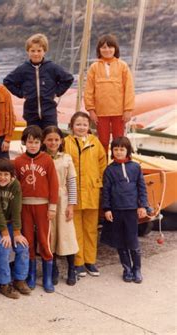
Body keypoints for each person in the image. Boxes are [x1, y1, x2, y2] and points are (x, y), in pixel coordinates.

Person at [14, 125, 59, 293]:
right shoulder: (18, 161)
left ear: (41, 143)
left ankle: (47, 278)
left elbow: (54, 184)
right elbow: (15, 185)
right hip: (25, 205)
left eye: (36, 142)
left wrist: (52, 206)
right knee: (28, 241)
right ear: (25, 142)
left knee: (44, 240)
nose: (33, 145)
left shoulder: (47, 160)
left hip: (42, 205)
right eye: (30, 142)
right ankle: (30, 274)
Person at [64, 112, 107, 278]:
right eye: (78, 124)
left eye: (84, 124)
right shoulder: (66, 143)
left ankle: (90, 260)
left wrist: (101, 184)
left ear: (89, 126)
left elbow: (102, 164)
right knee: (76, 229)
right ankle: (78, 261)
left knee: (91, 229)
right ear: (72, 126)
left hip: (91, 191)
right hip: (73, 193)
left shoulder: (95, 143)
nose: (81, 127)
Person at [101, 137, 148, 284]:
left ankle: (137, 269)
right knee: (120, 241)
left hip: (131, 210)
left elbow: (142, 188)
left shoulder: (135, 167)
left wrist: (143, 206)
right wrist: (107, 209)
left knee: (132, 240)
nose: (119, 152)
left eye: (122, 149)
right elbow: (106, 192)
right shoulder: (109, 170)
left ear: (128, 150)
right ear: (112, 151)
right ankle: (127, 269)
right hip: (116, 210)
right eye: (116, 149)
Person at [4, 33, 74, 129]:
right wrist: (21, 93)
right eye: (32, 51)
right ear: (28, 51)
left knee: (50, 136)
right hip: (31, 113)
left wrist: (57, 92)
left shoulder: (52, 67)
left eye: (39, 51)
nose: (36, 54)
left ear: (44, 51)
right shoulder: (23, 69)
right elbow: (7, 81)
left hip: (49, 112)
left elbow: (68, 79)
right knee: (33, 138)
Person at [0, 158, 30, 299]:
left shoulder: (15, 185)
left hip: (11, 223)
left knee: (22, 246)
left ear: (12, 175)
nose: (2, 177)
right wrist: (5, 234)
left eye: (6, 174)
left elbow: (17, 209)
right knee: (4, 247)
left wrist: (16, 233)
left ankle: (19, 279)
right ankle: (4, 283)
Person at [42, 126, 79, 286]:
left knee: (66, 234)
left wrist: (71, 205)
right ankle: (54, 268)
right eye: (49, 139)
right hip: (47, 201)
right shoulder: (42, 158)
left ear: (61, 141)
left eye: (56, 139)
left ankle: (72, 268)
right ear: (44, 141)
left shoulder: (66, 158)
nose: (53, 142)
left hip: (63, 199)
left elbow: (71, 182)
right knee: (52, 235)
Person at [84, 34, 135, 152]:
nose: (107, 50)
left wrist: (128, 110)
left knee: (119, 141)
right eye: (103, 47)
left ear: (115, 49)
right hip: (100, 113)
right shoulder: (94, 67)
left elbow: (129, 89)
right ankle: (103, 167)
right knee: (103, 141)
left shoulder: (123, 66)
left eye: (110, 47)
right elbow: (88, 91)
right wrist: (91, 110)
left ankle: (119, 164)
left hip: (119, 112)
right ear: (99, 50)